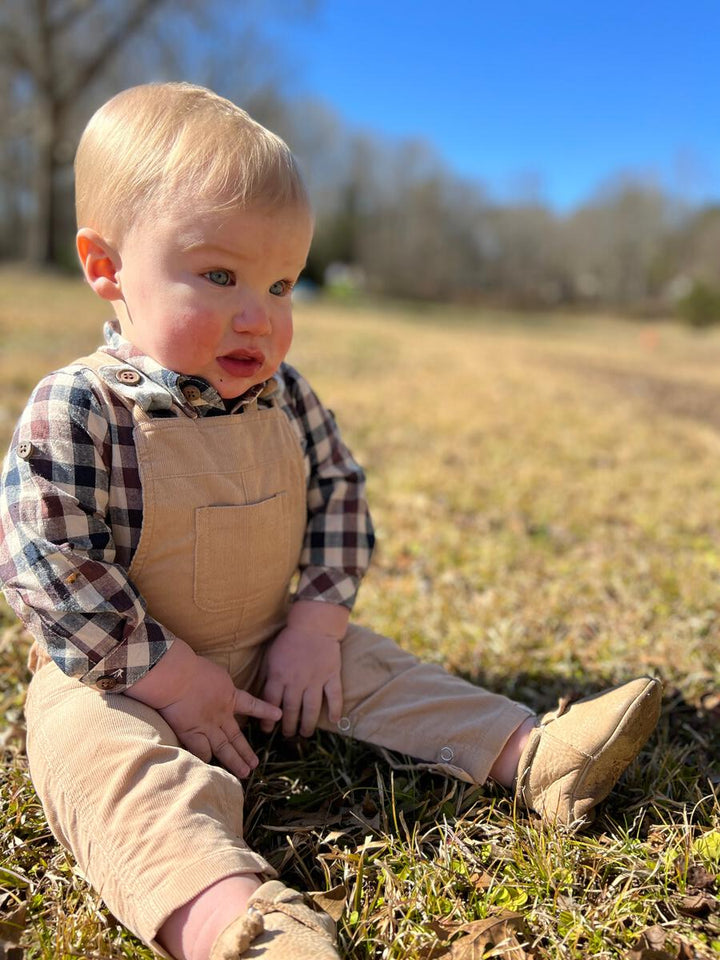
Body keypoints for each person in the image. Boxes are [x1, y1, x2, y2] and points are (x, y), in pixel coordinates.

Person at [0, 83, 662, 960]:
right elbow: (50, 563)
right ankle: (234, 921)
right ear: (107, 266)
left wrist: (314, 623)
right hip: (119, 676)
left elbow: (339, 497)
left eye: (281, 284)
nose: (259, 316)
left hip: (276, 643)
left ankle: (535, 755)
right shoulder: (77, 409)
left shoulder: (286, 397)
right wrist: (165, 677)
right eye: (221, 275)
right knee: (112, 771)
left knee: (386, 671)